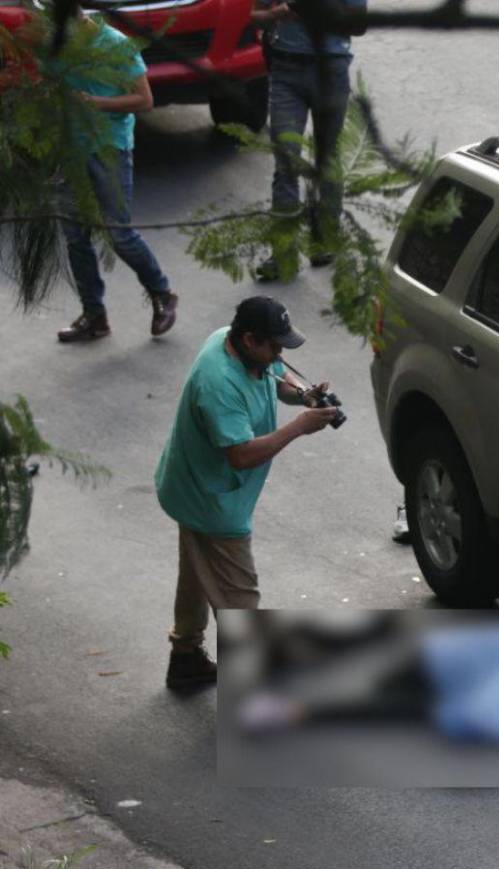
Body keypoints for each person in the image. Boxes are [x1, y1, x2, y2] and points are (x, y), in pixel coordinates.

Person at [155, 297, 339, 689]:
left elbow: (277, 378)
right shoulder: (219, 383)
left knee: (197, 570)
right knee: (240, 598)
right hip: (211, 498)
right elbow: (240, 455)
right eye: (275, 346)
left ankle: (185, 656)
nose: (279, 354)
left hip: (194, 486)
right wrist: (300, 427)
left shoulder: (237, 342)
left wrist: (304, 394)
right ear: (250, 339)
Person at [52, 6, 180, 343]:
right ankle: (94, 316)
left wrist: (94, 102)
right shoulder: (57, 44)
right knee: (76, 236)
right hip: (69, 151)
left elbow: (144, 99)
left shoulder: (115, 45)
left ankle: (162, 293)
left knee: (118, 233)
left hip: (109, 148)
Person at [249, 0, 367, 281]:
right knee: (286, 161)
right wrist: (278, 13)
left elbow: (359, 25)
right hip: (286, 70)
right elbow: (256, 17)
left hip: (331, 70)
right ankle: (283, 255)